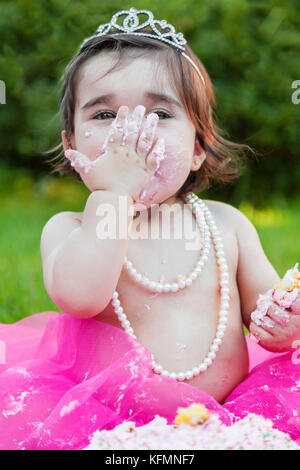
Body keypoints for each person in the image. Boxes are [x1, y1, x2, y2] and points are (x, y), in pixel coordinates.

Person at [0, 8, 299, 450]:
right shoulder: (70, 229)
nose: (131, 131)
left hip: (234, 412)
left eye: (159, 113)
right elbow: (82, 298)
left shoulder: (227, 225)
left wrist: (285, 325)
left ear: (197, 149)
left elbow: (266, 317)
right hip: (107, 421)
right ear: (72, 145)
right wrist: (115, 193)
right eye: (103, 116)